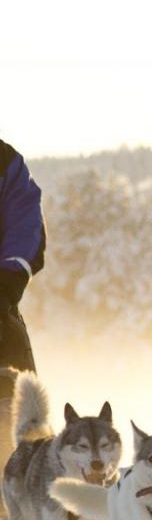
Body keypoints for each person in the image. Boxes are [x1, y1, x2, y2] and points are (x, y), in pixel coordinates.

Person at [0, 138, 46, 395]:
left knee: (20, 417)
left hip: (0, 311)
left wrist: (5, 287)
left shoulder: (5, 162)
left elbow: (26, 228)